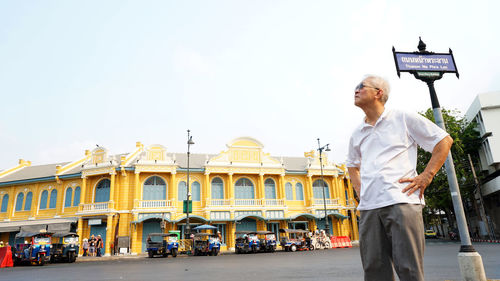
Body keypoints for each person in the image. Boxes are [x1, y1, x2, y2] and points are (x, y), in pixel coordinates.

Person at [346, 75, 453, 281]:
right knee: (374, 270)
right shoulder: (357, 132)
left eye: (361, 86)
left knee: (409, 269)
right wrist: (360, 190)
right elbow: (352, 165)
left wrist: (426, 176)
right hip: (369, 208)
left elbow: (443, 140)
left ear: (379, 93)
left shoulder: (402, 117)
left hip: (402, 201)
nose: (356, 90)